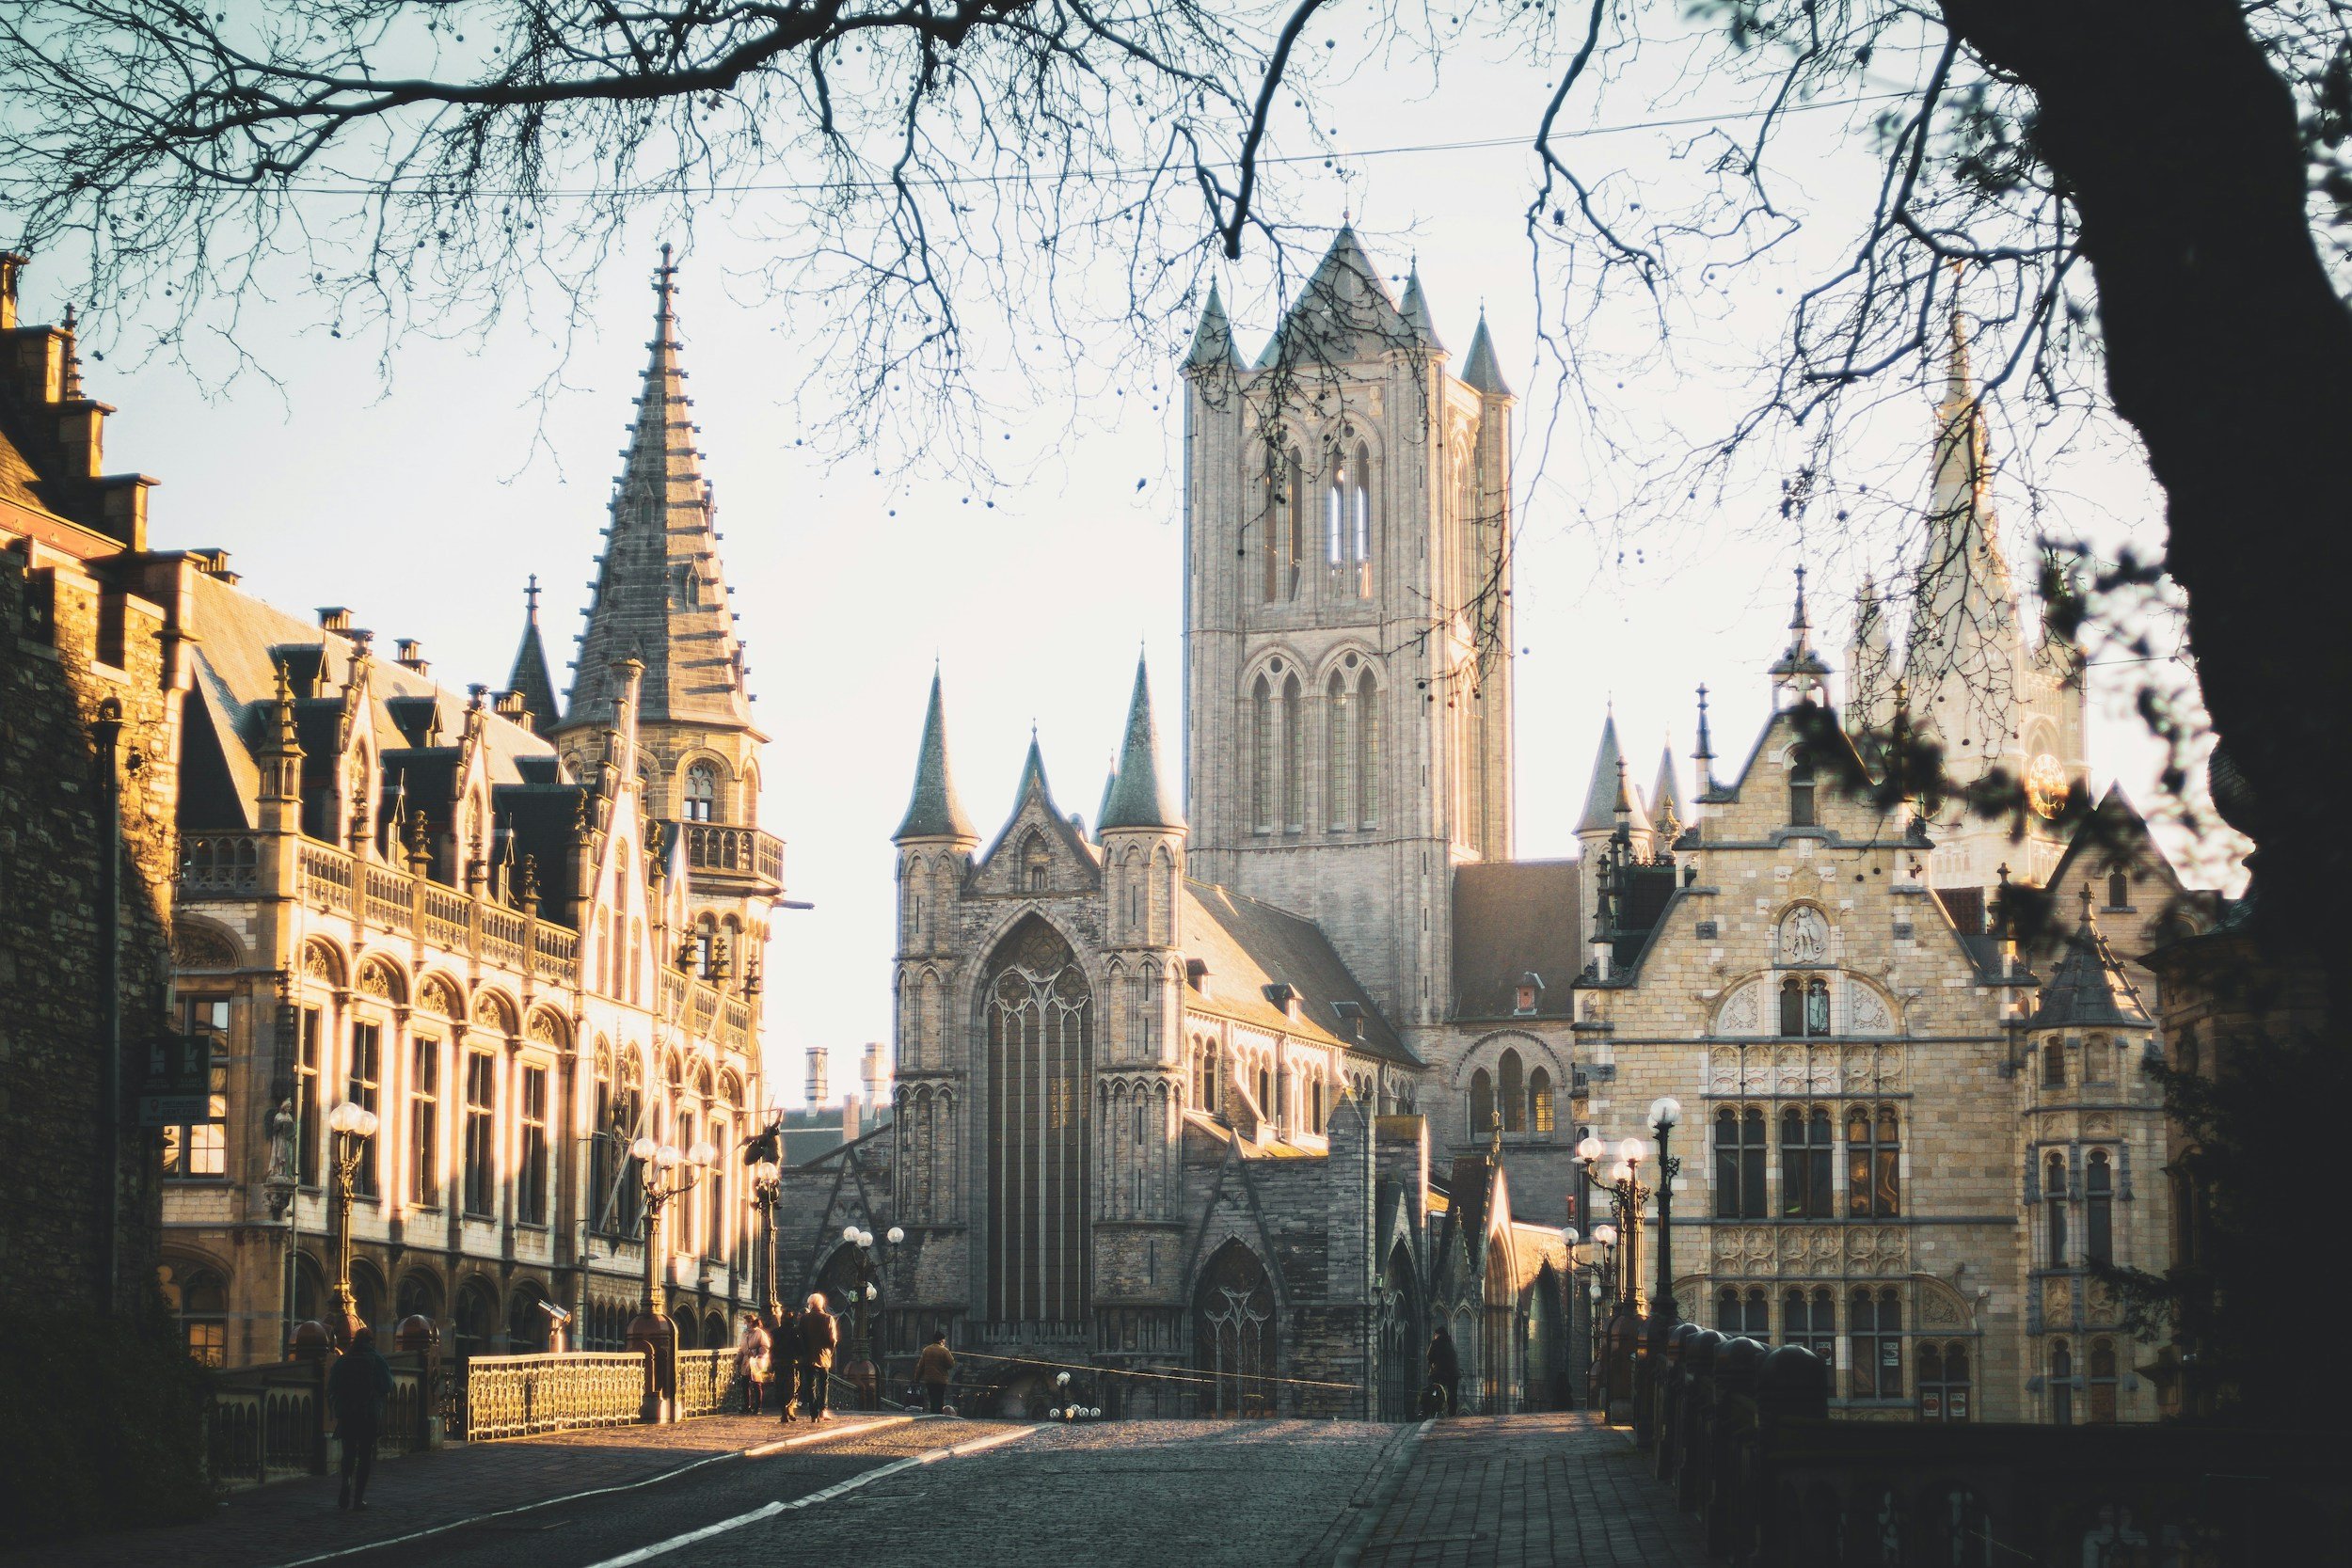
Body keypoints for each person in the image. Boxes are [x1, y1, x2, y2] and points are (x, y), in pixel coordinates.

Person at [328, 1325, 394, 1511]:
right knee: (365, 1455)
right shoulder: (377, 1359)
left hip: (347, 1413)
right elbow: (388, 1385)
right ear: (371, 1341)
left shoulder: (343, 1360)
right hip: (368, 1413)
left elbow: (332, 1385)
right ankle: (358, 1499)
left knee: (348, 1452)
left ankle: (346, 1481)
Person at [796, 1292, 838, 1419]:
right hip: (823, 1356)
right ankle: (822, 1410)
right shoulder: (828, 1318)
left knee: (810, 1384)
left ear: (811, 1304)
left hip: (808, 1357)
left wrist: (803, 1353)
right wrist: (829, 1353)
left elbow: (800, 1337)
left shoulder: (804, 1319)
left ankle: (813, 1413)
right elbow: (833, 1339)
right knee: (823, 1383)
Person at [734, 1314, 772, 1415]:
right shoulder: (744, 1333)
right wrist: (738, 1359)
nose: (745, 1324)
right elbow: (742, 1348)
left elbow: (765, 1346)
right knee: (744, 1384)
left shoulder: (759, 1333)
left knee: (756, 1384)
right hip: (746, 1361)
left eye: (746, 1322)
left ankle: (757, 1407)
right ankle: (747, 1406)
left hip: (756, 1361)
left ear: (751, 1322)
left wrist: (757, 1354)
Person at [771, 1301, 801, 1423]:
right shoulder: (795, 1332)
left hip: (778, 1363)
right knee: (792, 1387)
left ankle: (784, 1412)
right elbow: (800, 1348)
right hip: (790, 1363)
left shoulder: (775, 1333)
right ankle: (789, 1408)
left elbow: (772, 1349)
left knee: (780, 1387)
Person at [914, 1331, 956, 1415]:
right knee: (940, 1398)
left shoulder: (926, 1350)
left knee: (932, 1398)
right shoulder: (944, 1350)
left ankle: (933, 1413)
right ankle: (939, 1414)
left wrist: (916, 1379)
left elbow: (920, 1366)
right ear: (941, 1340)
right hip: (941, 1380)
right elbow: (951, 1364)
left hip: (929, 1379)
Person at [1426, 1325, 1461, 1418]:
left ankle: (1432, 1409)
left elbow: (1429, 1356)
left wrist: (1432, 1365)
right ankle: (1452, 1412)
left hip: (1440, 1372)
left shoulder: (1435, 1342)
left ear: (1437, 1334)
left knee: (1433, 1388)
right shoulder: (1452, 1344)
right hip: (1454, 1373)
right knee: (1453, 1393)